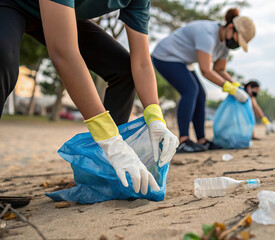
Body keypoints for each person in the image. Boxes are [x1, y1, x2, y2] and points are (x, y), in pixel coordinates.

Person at [0, 0, 179, 196]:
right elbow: (63, 53)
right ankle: (112, 148)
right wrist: (109, 138)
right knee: (3, 60)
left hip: (61, 13)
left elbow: (142, 63)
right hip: (12, 4)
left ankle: (106, 169)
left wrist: (155, 116)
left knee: (124, 71)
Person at [152, 8, 255, 153]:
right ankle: (183, 141)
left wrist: (235, 85)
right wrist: (230, 89)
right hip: (165, 56)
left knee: (201, 95)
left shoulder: (225, 44)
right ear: (231, 28)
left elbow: (220, 70)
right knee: (190, 90)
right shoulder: (207, 34)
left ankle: (201, 140)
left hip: (184, 61)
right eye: (237, 41)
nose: (235, 45)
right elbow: (206, 70)